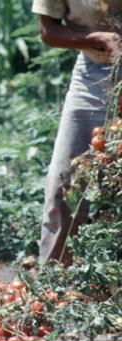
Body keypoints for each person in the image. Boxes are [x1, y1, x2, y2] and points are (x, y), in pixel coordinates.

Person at [33, 0, 122, 266]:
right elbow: (48, 31)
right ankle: (55, 278)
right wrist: (94, 39)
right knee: (66, 180)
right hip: (95, 74)